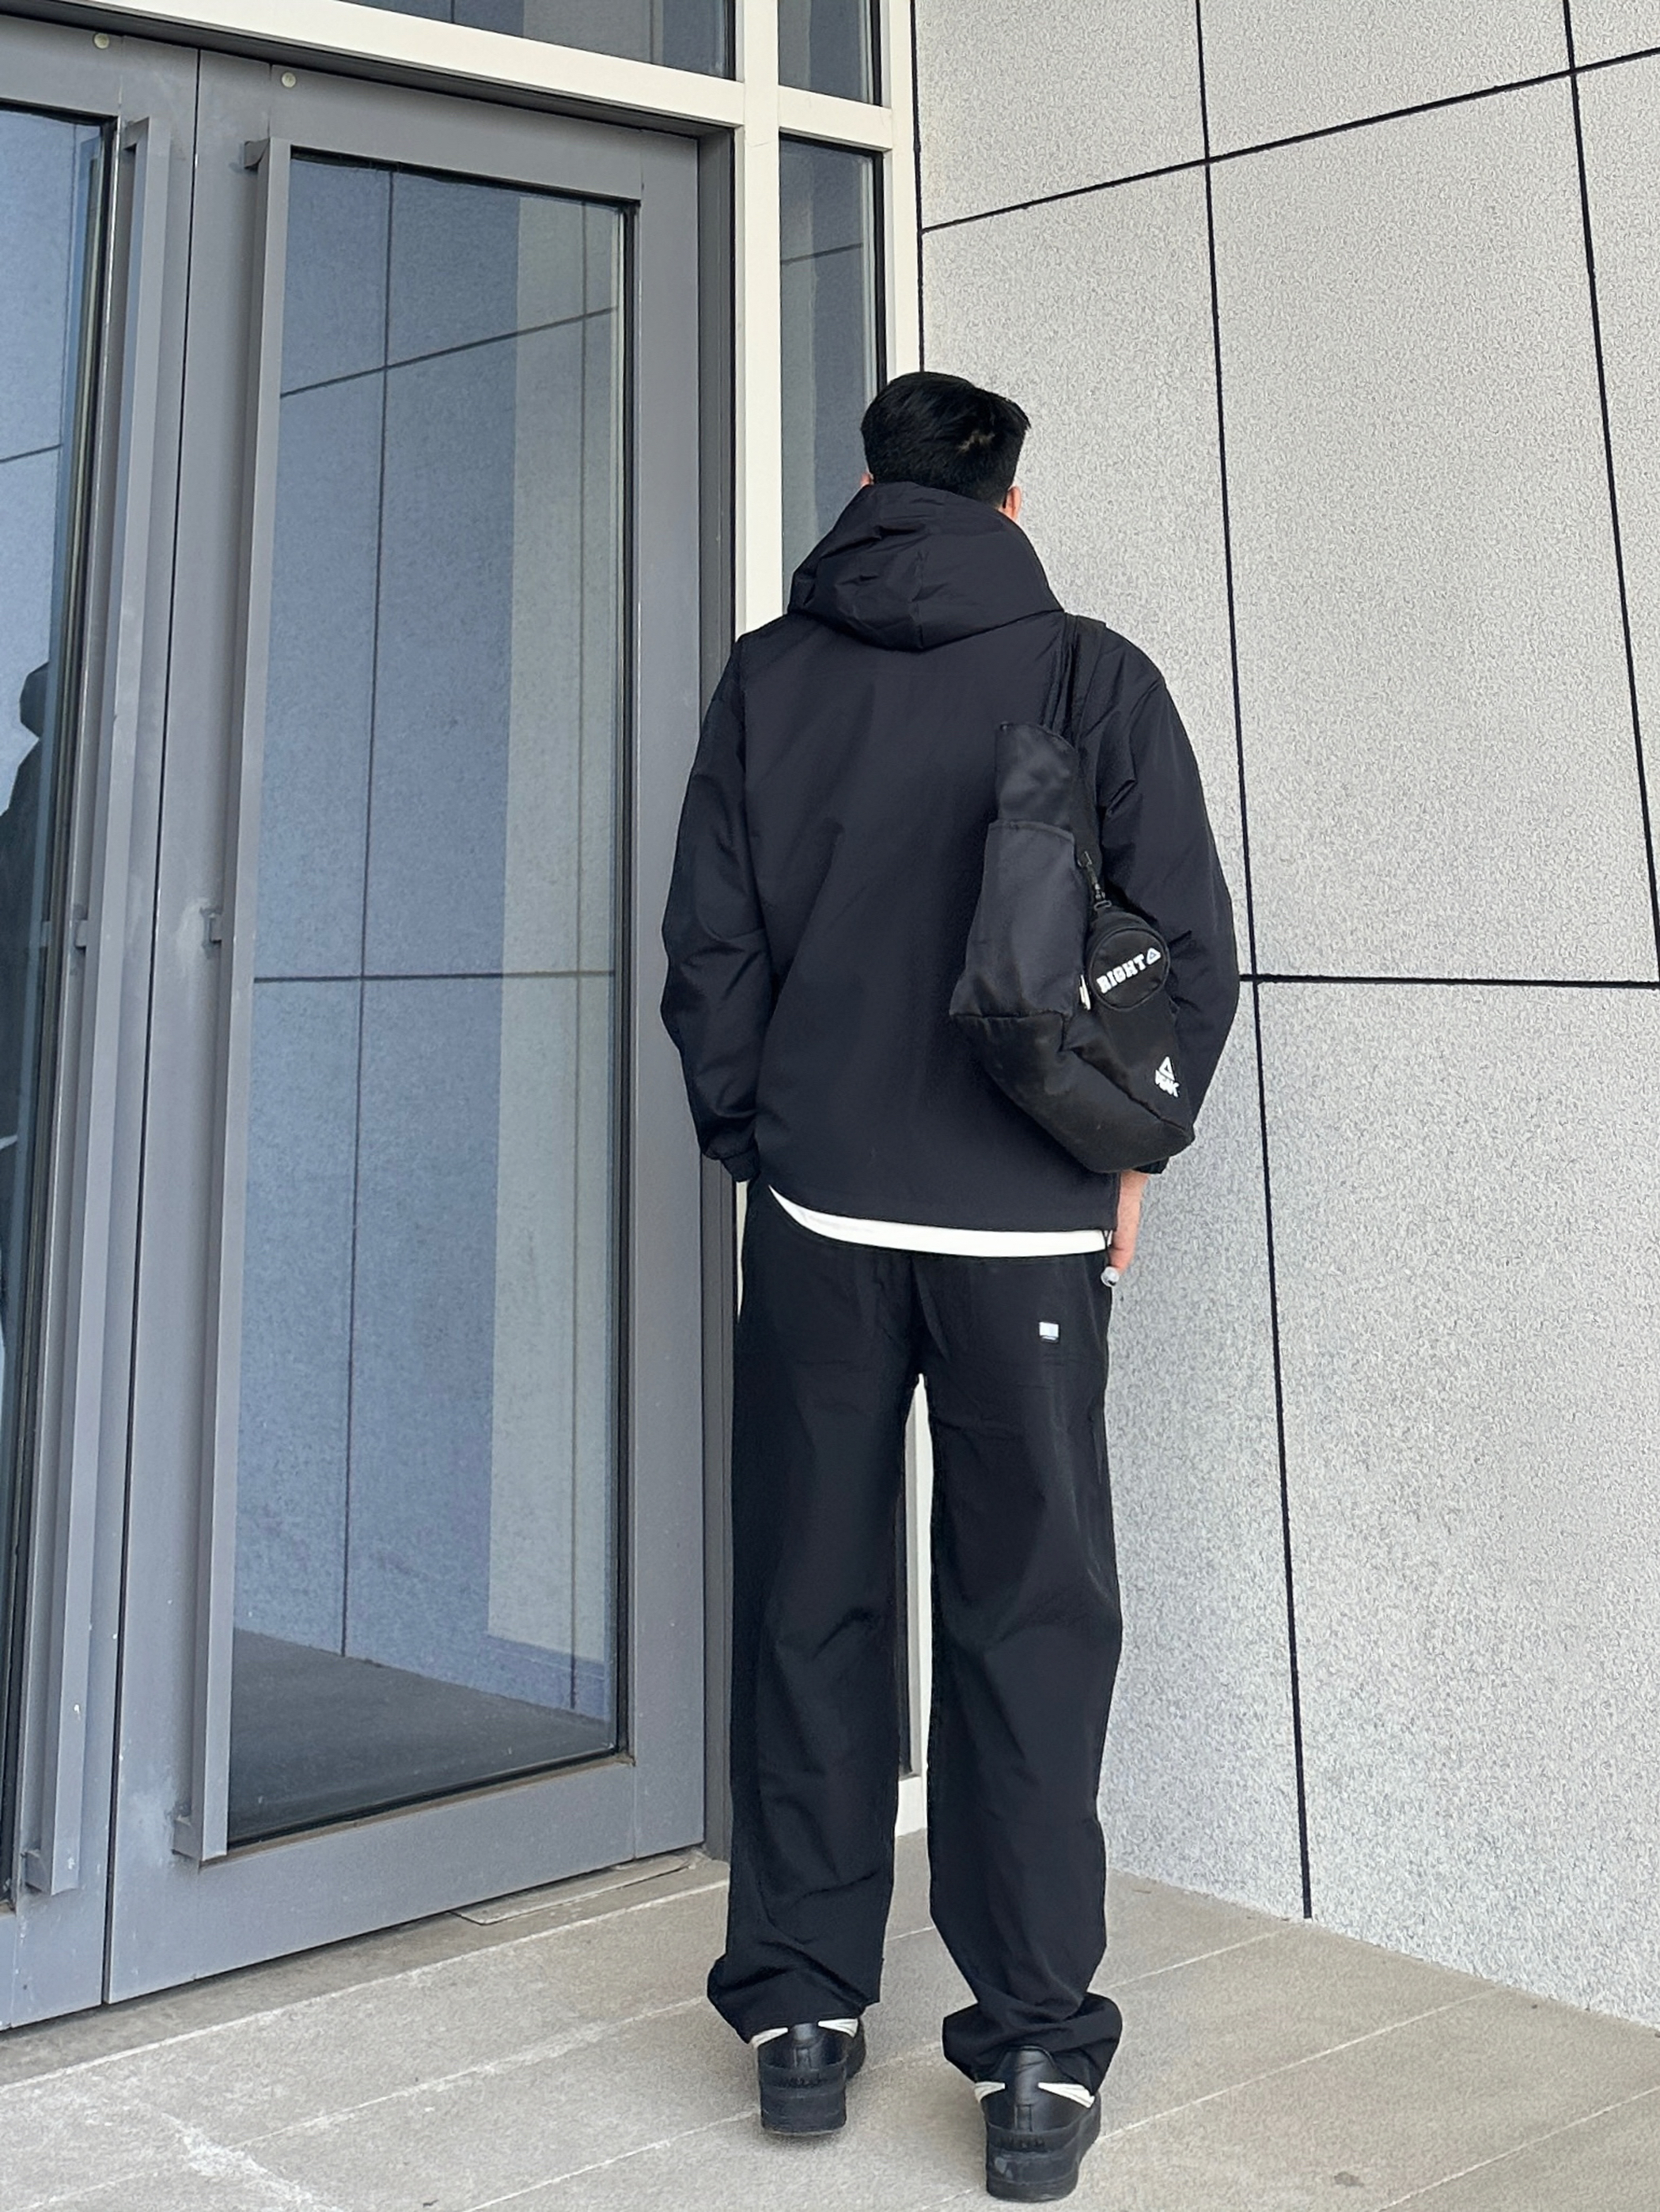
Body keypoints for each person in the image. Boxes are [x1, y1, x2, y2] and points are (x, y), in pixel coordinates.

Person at [661, 371, 1238, 2202]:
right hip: (1022, 1231)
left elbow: (709, 945)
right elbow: (1182, 954)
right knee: (1025, 1624)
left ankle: (800, 2015)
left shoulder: (768, 677)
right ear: (1007, 498)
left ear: (863, 481)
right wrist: (1118, 1160)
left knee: (806, 1601)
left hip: (818, 1219)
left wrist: (765, 1144)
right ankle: (1034, 2053)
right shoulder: (1088, 674)